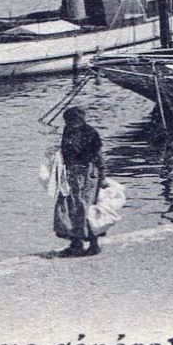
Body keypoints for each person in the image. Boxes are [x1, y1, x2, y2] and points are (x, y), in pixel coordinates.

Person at [52, 107, 105, 258]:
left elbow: (98, 156)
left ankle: (88, 244)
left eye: (71, 121)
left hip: (87, 173)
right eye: (67, 121)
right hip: (72, 173)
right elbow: (65, 154)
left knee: (83, 207)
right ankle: (78, 243)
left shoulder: (90, 132)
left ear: (79, 120)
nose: (68, 124)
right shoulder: (68, 130)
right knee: (71, 207)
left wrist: (102, 176)